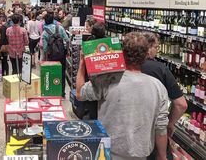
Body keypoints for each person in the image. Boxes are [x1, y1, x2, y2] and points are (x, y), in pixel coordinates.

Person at [76, 32, 169, 160]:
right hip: (140, 154)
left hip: (108, 153)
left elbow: (80, 93)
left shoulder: (108, 79)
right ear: (146, 55)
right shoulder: (158, 87)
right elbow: (161, 127)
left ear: (122, 53)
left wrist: (82, 64)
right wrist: (162, 156)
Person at [141, 32, 187, 160]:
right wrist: (170, 123)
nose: (157, 50)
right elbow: (181, 104)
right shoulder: (160, 69)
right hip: (156, 131)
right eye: (156, 47)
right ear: (148, 48)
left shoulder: (126, 66)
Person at [43, 10, 70, 98]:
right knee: (62, 73)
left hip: (51, 56)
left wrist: (46, 57)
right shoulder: (60, 28)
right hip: (61, 54)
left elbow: (45, 48)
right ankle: (62, 93)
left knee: (52, 72)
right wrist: (67, 50)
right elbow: (67, 40)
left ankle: (53, 91)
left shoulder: (45, 32)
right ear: (53, 20)